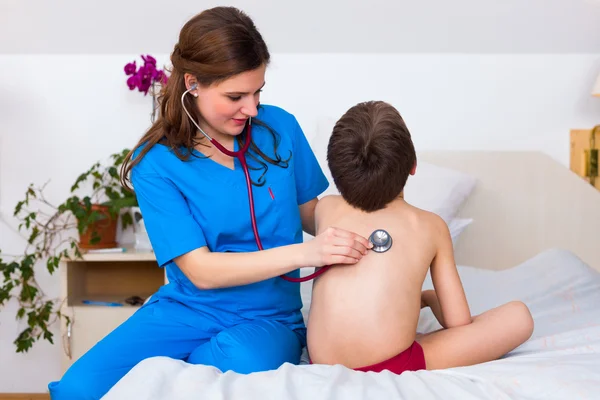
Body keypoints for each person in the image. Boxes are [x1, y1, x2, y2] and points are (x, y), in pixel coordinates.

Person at [48, 7, 372, 399]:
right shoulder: (156, 163)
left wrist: (372, 217)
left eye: (258, 92)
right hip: (187, 309)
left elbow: (311, 212)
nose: (251, 109)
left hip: (268, 318)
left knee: (230, 370)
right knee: (77, 390)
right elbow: (200, 270)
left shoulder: (280, 128)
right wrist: (307, 252)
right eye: (236, 96)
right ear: (193, 84)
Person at [306, 100, 534, 374]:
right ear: (413, 165)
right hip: (391, 364)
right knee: (519, 317)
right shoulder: (431, 226)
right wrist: (426, 297)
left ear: (336, 171)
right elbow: (458, 322)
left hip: (321, 360)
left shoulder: (325, 207)